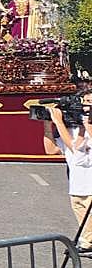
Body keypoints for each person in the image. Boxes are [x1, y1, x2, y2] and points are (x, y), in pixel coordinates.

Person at [41, 93, 92, 256]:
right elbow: (51, 150)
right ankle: (86, 245)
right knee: (86, 234)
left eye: (89, 102)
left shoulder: (88, 129)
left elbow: (77, 149)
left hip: (90, 187)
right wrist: (48, 125)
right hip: (77, 187)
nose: (85, 105)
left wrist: (58, 121)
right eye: (83, 101)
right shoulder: (71, 129)